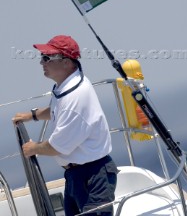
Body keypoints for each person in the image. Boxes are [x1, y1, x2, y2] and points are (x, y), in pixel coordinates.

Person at [12, 35, 118, 216]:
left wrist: (33, 148)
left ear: (67, 63)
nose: (41, 63)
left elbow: (56, 147)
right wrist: (33, 115)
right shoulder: (66, 85)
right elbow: (56, 108)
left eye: (47, 58)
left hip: (93, 176)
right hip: (77, 174)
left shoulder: (74, 98)